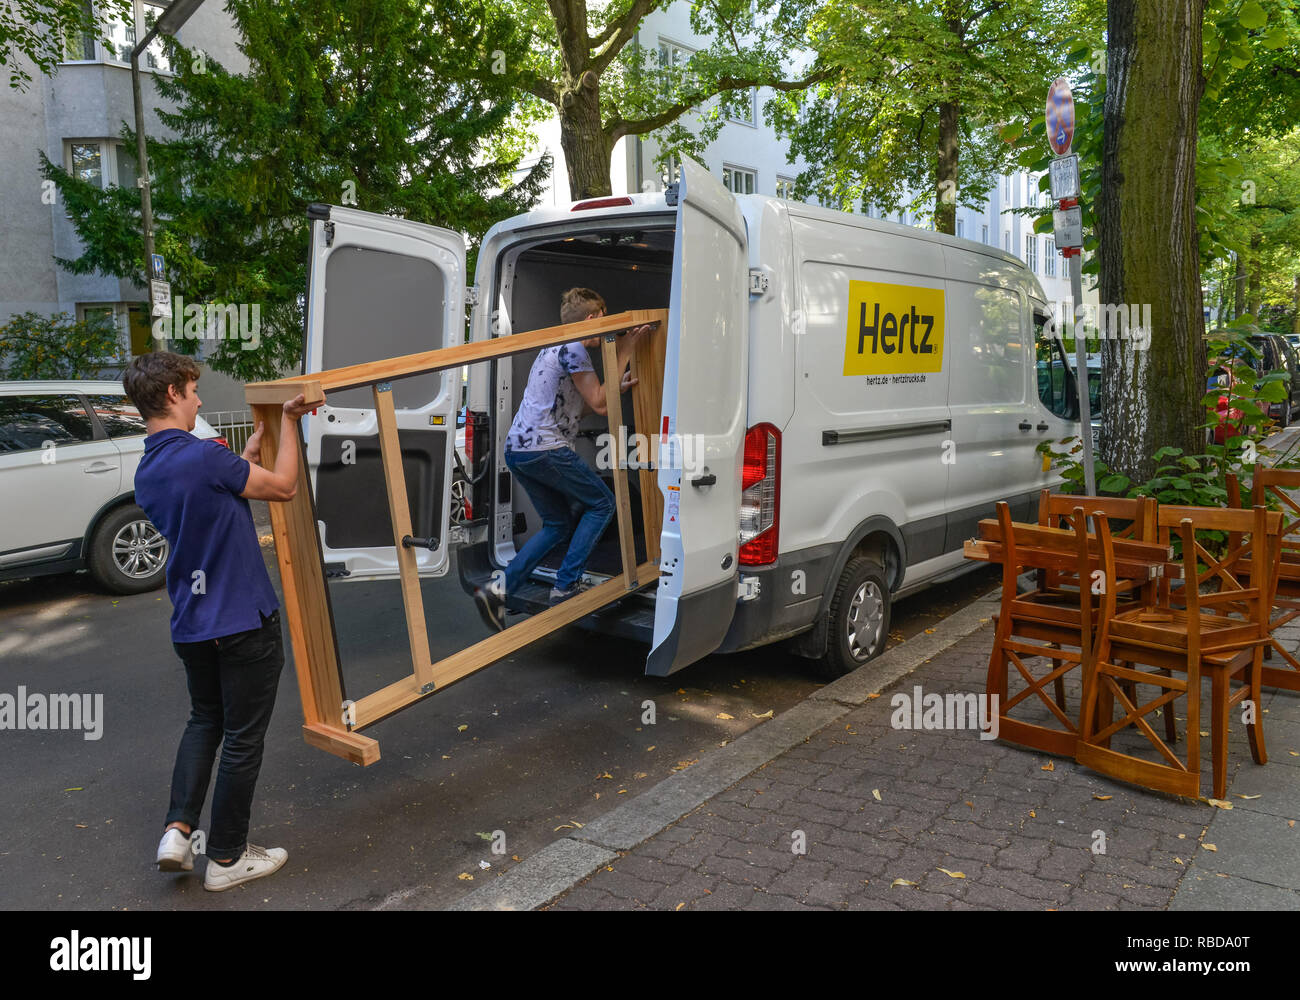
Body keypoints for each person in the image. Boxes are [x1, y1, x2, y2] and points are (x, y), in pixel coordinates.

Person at [124, 350, 319, 891]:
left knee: (204, 722)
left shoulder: (152, 468)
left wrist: (249, 453)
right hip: (241, 621)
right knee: (241, 740)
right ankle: (229, 859)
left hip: (193, 624)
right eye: (192, 389)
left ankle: (178, 831)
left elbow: (219, 489)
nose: (199, 398)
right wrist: (290, 426)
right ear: (171, 395)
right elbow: (282, 488)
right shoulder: (204, 457)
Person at [474, 288, 651, 630]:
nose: (605, 325)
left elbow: (581, 407)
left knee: (557, 524)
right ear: (591, 319)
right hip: (546, 448)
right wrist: (626, 349)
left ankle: (497, 591)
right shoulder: (574, 347)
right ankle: (565, 586)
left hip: (520, 450)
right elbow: (600, 402)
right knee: (602, 504)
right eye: (603, 316)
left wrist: (618, 388)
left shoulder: (553, 347)